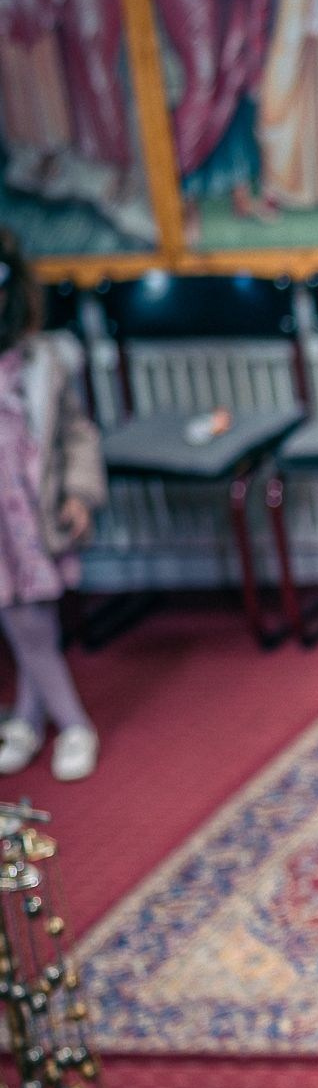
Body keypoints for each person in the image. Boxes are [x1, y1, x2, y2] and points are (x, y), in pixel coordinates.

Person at [0, 231, 105, 783]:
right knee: (23, 619)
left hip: (30, 517)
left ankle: (59, 724)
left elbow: (76, 433)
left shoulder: (44, 361)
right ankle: (42, 719)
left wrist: (79, 493)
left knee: (28, 618)